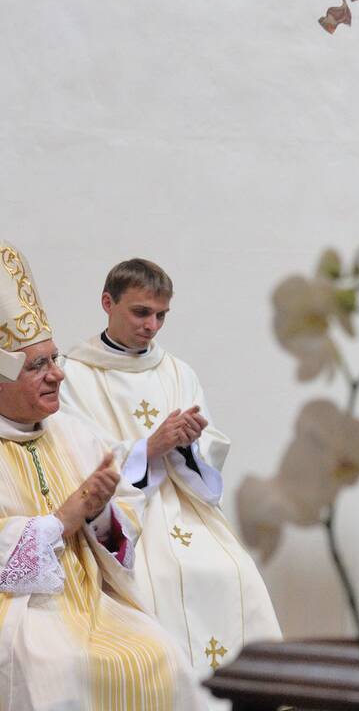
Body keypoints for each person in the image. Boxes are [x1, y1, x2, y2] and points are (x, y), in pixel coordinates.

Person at [0, 242, 204, 709]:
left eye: (54, 359)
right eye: (38, 366)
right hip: (20, 612)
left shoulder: (71, 433)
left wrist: (102, 514)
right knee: (61, 670)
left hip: (92, 601)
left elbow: (120, 519)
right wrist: (65, 518)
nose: (58, 375)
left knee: (162, 655)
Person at [59, 258, 281, 679]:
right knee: (158, 574)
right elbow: (75, 454)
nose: (152, 326)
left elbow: (212, 446)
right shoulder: (75, 374)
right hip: (123, 513)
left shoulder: (178, 370)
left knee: (236, 570)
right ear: (108, 302)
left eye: (161, 316)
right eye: (141, 312)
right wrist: (148, 447)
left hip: (184, 505)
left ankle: (242, 695)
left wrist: (191, 443)